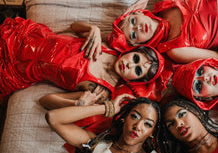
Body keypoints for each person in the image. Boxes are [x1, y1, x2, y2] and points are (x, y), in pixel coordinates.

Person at [0, 17, 164, 106]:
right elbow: (74, 27)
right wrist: (93, 28)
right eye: (135, 58)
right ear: (131, 50)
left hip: (18, 69)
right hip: (26, 35)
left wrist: (79, 103)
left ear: (134, 80)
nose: (130, 65)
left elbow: (48, 101)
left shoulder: (101, 91)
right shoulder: (108, 45)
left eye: (137, 71)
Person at [46, 95, 164, 153]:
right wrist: (107, 108)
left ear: (152, 132)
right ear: (124, 118)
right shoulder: (97, 145)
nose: (138, 126)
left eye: (147, 124)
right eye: (134, 116)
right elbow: (53, 118)